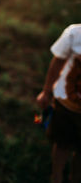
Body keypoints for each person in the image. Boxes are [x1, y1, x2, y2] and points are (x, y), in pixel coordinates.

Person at [36, 24, 81, 183]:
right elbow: (57, 62)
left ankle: (75, 178)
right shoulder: (75, 33)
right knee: (62, 142)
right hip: (65, 104)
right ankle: (56, 176)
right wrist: (47, 92)